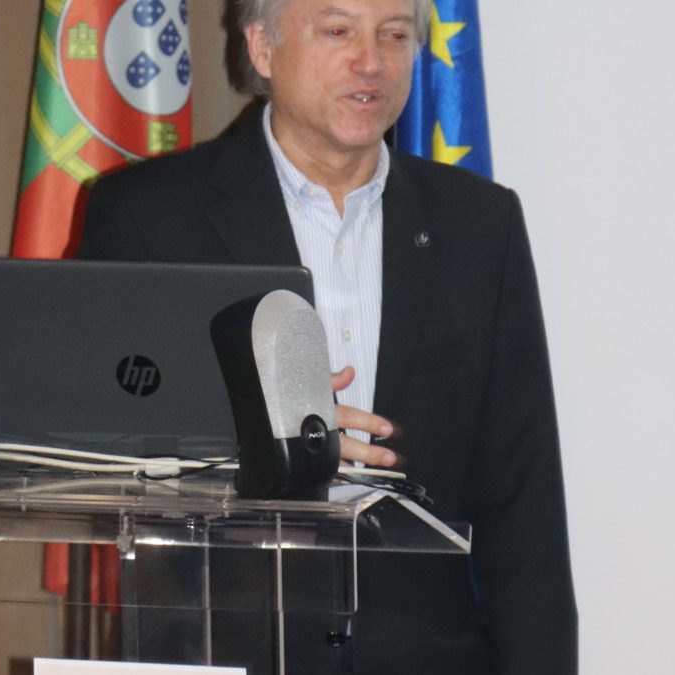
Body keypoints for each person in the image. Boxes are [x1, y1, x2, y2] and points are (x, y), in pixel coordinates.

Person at [79, 0, 577, 673]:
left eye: (394, 35)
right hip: (222, 649)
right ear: (262, 49)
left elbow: (526, 509)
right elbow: (93, 452)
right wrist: (253, 443)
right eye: (339, 31)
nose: (371, 61)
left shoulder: (480, 226)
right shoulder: (151, 216)